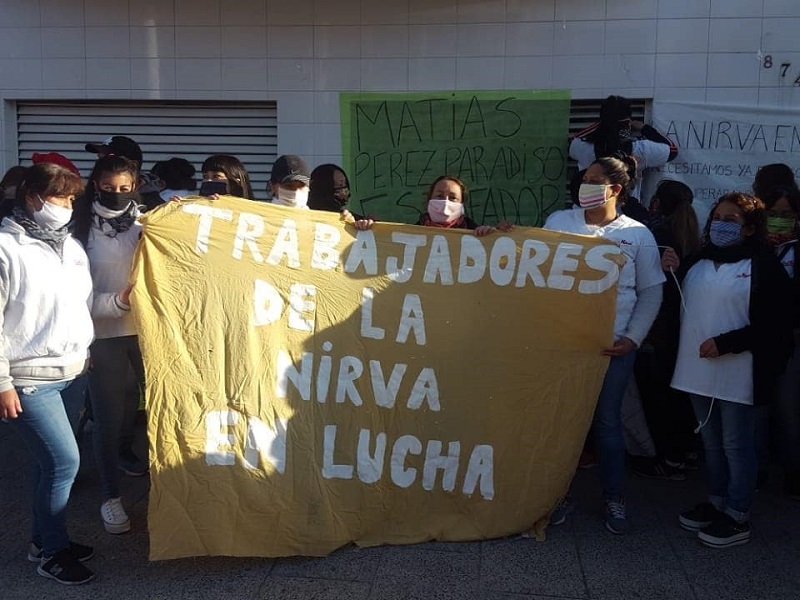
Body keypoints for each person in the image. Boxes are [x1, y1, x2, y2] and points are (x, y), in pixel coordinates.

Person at [544, 155, 665, 534]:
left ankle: (614, 496)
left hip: (612, 348)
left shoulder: (639, 235)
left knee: (607, 424)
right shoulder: (558, 222)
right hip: (563, 346)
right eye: (584, 177)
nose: (585, 184)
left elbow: (651, 291)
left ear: (615, 189)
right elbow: (531, 269)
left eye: (595, 180)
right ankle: (557, 496)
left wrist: (633, 338)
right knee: (562, 424)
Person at [673, 192, 793, 549]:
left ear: (749, 229)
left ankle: (738, 512)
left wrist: (728, 343)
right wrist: (671, 266)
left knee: (736, 444)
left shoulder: (765, 266)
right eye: (717, 218)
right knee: (711, 443)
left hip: (739, 371)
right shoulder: (697, 261)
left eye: (732, 220)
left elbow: (776, 324)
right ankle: (717, 500)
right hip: (696, 371)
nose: (721, 225)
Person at [0, 163, 96, 585]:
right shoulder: (6, 247)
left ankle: (43, 539)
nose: (67, 206)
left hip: (73, 372)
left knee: (47, 465)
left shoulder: (71, 248)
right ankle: (53, 554)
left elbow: (85, 305)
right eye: (60, 197)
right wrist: (2, 382)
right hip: (29, 377)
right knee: (64, 462)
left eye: (72, 198)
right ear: (33, 197)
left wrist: (122, 303)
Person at [73, 155, 146, 536]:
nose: (116, 195)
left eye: (125, 188)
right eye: (108, 187)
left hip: (148, 331)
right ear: (95, 184)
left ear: (136, 185)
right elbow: (71, 294)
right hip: (102, 333)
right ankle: (110, 497)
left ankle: (145, 470)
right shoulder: (78, 227)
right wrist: (116, 302)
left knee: (151, 408)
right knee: (108, 415)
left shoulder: (148, 220)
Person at [632, 180, 701, 480]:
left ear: (657, 203)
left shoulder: (655, 234)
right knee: (677, 397)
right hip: (681, 331)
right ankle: (685, 452)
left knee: (658, 399)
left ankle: (667, 456)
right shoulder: (694, 239)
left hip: (657, 332)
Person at [761, 185, 800, 499]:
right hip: (756, 341)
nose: (778, 221)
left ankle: (793, 472)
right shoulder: (755, 247)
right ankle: (756, 468)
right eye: (772, 215)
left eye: (785, 215)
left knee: (788, 409)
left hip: (792, 341)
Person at [569, 95, 677, 202]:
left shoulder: (582, 146)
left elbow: (574, 139)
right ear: (628, 122)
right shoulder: (640, 150)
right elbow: (672, 150)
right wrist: (645, 128)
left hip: (588, 209)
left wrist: (602, 124)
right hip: (625, 214)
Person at [350, 175, 496, 236]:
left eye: (453, 198)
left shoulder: (476, 234)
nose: (445, 202)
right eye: (439, 196)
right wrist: (367, 230)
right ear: (429, 201)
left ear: (462, 204)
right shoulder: (411, 235)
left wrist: (491, 234)